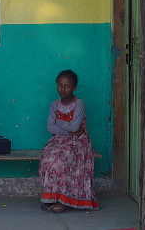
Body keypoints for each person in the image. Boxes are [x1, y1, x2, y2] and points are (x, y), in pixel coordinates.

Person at [39, 70, 99, 213]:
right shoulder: (54, 105)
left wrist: (60, 124)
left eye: (67, 86)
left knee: (63, 160)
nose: (63, 89)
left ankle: (64, 200)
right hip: (60, 139)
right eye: (60, 85)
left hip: (79, 141)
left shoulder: (79, 104)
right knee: (48, 158)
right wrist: (67, 129)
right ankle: (53, 197)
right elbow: (50, 127)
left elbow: (75, 127)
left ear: (74, 88)